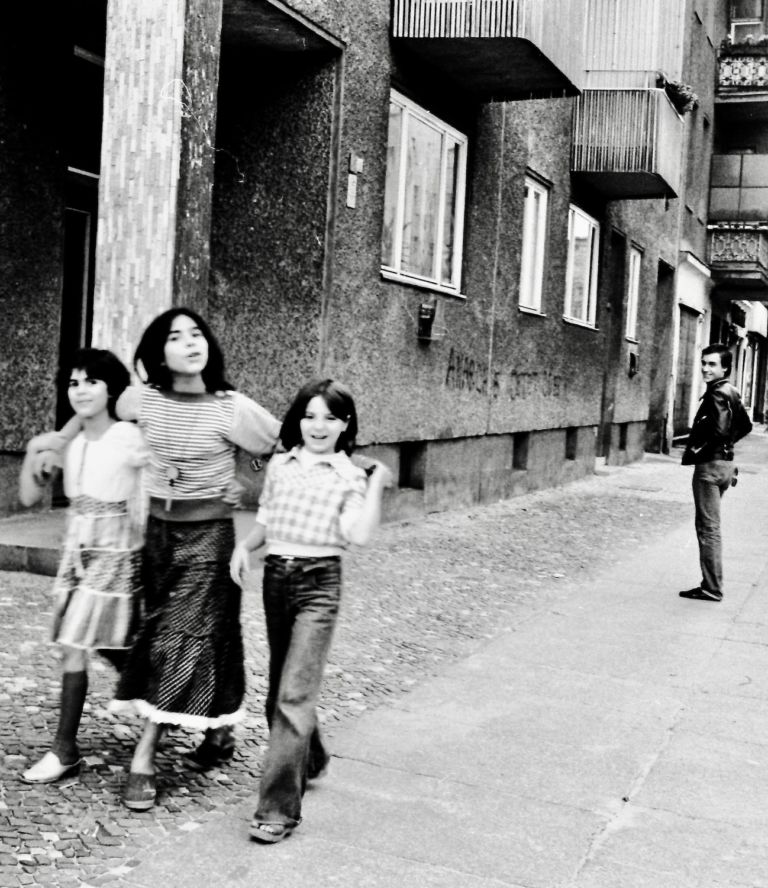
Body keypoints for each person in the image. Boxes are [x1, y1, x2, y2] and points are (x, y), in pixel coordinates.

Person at [37, 308, 281, 810]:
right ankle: (218, 731)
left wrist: (250, 484)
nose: (190, 343)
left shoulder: (231, 408)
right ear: (158, 352)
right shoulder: (139, 399)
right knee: (192, 637)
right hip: (154, 538)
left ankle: (145, 756)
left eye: (197, 334)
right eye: (176, 336)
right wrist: (59, 443)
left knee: (180, 638)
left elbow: (284, 444)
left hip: (208, 539)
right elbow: (89, 414)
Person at [230, 378, 392, 844]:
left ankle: (277, 810)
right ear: (297, 419)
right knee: (278, 694)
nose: (318, 425)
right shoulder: (281, 465)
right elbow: (266, 518)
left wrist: (375, 482)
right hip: (277, 578)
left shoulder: (348, 475)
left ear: (345, 425)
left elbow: (357, 535)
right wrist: (246, 547)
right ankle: (311, 756)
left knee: (293, 697)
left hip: (320, 584)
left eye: (330, 417)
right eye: (310, 415)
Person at [19, 348, 148, 784]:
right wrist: (37, 450)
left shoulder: (129, 437)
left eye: (91, 381)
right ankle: (68, 748)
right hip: (78, 554)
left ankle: (66, 748)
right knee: (94, 642)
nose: (81, 390)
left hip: (117, 554)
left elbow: (154, 479)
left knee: (91, 640)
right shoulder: (68, 441)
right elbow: (29, 498)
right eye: (73, 383)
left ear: (111, 388)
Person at [680, 343, 752, 603]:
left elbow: (721, 430)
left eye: (712, 364)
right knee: (710, 526)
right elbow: (745, 425)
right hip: (726, 466)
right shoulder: (731, 390)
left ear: (724, 368)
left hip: (710, 467)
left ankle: (711, 587)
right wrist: (727, 446)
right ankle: (711, 584)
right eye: (704, 362)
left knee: (708, 528)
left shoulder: (715, 394)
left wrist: (703, 448)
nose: (705, 368)